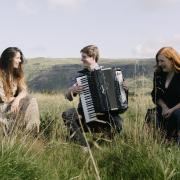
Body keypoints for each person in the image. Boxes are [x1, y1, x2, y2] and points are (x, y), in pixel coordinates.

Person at [62, 45, 128, 147]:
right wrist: (71, 90)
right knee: (67, 114)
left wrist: (124, 88)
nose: (81, 59)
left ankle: (101, 144)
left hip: (105, 115)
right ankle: (83, 145)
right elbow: (68, 97)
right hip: (84, 114)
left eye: (84, 57)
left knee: (119, 122)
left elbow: (121, 97)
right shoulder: (81, 76)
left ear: (93, 57)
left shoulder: (109, 74)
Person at [0, 47, 40, 135]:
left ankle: (32, 132)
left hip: (12, 104)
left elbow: (24, 91)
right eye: (17, 58)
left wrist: (17, 99)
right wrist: (14, 100)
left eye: (20, 58)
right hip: (2, 107)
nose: (20, 61)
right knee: (29, 101)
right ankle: (28, 132)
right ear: (9, 59)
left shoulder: (15, 74)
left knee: (32, 100)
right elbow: (3, 98)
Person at [151, 47, 180, 144]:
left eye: (162, 61)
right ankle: (157, 142)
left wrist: (172, 110)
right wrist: (164, 107)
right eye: (158, 61)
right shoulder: (158, 74)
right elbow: (155, 94)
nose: (159, 64)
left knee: (177, 114)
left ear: (172, 60)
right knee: (152, 115)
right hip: (164, 110)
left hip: (177, 109)